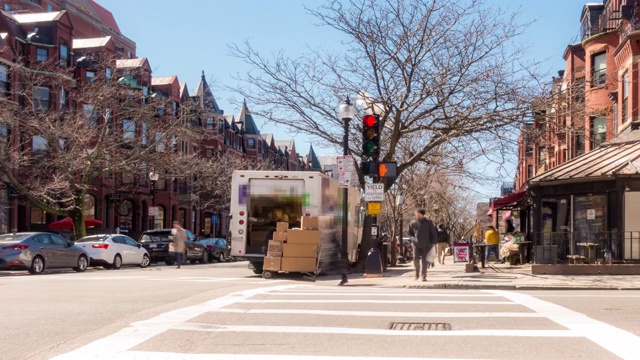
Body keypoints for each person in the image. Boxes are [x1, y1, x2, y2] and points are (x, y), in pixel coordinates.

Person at [408, 208, 437, 281]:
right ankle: (416, 273)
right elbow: (409, 233)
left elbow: (434, 233)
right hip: (416, 245)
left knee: (424, 261)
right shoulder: (413, 223)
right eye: (416, 213)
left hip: (426, 245)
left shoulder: (429, 223)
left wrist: (434, 243)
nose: (416, 214)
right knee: (415, 259)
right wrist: (413, 239)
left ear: (422, 214)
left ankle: (423, 276)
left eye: (417, 213)